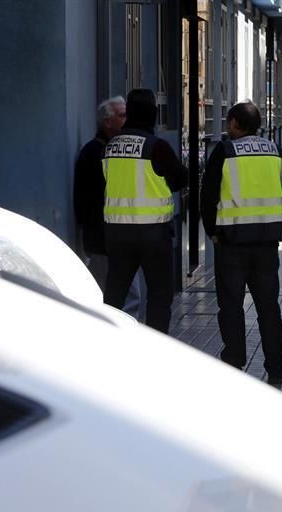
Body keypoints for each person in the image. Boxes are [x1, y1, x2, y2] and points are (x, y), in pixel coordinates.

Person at [200, 101, 282, 385]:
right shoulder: (275, 151)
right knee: (268, 307)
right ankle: (275, 366)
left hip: (232, 243)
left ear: (236, 123)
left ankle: (235, 360)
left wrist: (212, 230)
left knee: (232, 306)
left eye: (228, 122)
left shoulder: (225, 152)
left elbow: (208, 195)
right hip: (266, 245)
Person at [102, 88, 187, 334]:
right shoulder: (156, 147)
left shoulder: (111, 146)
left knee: (115, 295)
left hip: (117, 234)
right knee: (159, 297)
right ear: (152, 113)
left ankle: (111, 343)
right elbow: (180, 179)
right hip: (153, 235)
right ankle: (155, 347)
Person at [73, 96, 144, 318]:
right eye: (122, 115)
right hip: (105, 242)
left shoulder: (114, 150)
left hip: (121, 239)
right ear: (107, 122)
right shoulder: (95, 153)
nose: (128, 119)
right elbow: (87, 202)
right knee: (124, 298)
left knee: (123, 297)